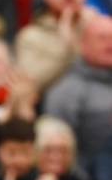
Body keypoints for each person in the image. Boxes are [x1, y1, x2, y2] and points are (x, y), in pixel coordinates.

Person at [44, 13, 112, 169]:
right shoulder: (67, 90)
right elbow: (57, 147)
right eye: (102, 38)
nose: (110, 44)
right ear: (83, 44)